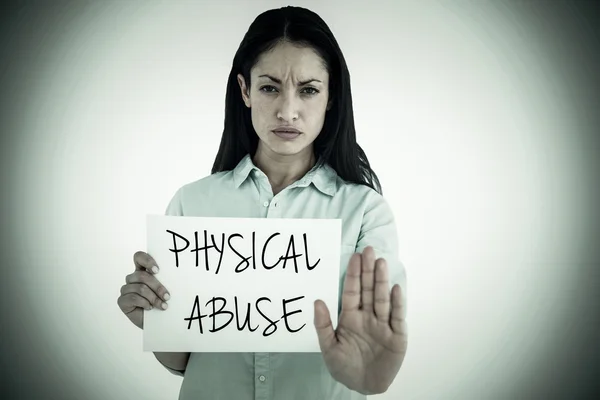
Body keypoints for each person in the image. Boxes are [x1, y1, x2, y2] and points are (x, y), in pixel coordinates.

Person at [117, 5, 408, 399]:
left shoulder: (365, 212)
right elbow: (184, 360)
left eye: (308, 89)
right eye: (270, 87)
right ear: (245, 90)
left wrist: (369, 375)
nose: (288, 110)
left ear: (331, 95)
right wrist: (152, 319)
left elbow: (371, 356)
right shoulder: (192, 201)